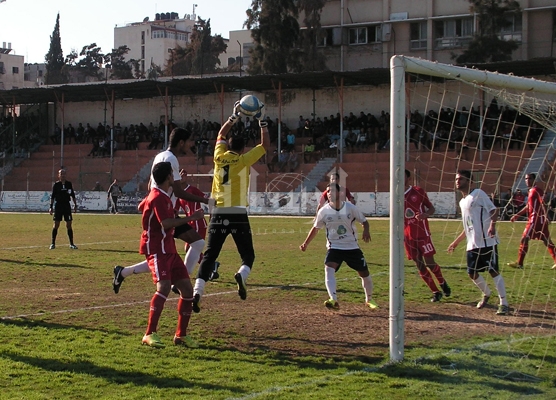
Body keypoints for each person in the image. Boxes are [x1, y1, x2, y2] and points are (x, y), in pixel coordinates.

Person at [112, 127, 215, 294]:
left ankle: (123, 272)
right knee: (189, 246)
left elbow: (153, 185)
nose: (190, 144)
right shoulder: (171, 159)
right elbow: (179, 192)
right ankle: (181, 282)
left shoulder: (161, 156)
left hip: (163, 211)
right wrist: (205, 200)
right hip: (165, 214)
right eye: (188, 141)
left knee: (168, 255)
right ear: (181, 142)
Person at [192, 99, 269, 313]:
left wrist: (233, 117)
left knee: (210, 256)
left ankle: (198, 291)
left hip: (218, 212)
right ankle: (241, 274)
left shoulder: (218, 157)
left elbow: (220, 135)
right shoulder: (244, 160)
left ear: (227, 146)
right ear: (242, 148)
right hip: (237, 213)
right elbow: (265, 146)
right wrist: (262, 122)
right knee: (248, 255)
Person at [139, 161, 202, 348]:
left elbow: (141, 206)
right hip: (157, 249)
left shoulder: (160, 195)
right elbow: (166, 223)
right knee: (164, 287)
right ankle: (149, 333)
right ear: (168, 177)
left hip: (169, 249)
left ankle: (181, 335)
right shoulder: (158, 197)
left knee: (187, 290)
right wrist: (192, 218)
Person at [299, 182, 378, 310]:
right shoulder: (323, 211)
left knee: (364, 273)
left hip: (352, 247)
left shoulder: (350, 208)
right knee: (328, 268)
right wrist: (305, 243)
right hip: (334, 247)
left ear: (340, 193)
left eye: (332, 191)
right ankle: (333, 299)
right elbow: (315, 228)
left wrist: (366, 230)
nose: (329, 194)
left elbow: (364, 221)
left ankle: (369, 300)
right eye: (328, 191)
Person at [447, 170, 510, 315]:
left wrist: (492, 226)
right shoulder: (462, 201)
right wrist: (456, 242)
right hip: (473, 244)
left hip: (487, 242)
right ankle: (487, 293)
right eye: (456, 179)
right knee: (472, 273)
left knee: (493, 271)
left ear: (469, 181)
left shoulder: (479, 194)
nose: (458, 181)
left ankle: (504, 303)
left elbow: (494, 210)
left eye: (461, 179)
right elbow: (467, 226)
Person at [404, 169, 451, 302]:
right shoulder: (395, 195)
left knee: (430, 263)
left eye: (402, 176)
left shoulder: (418, 191)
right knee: (419, 265)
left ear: (408, 178)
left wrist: (425, 215)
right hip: (407, 236)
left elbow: (431, 208)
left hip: (422, 233)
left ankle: (442, 282)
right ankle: (435, 292)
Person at [507, 173, 556, 270]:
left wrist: (546, 215)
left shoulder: (537, 190)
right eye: (525, 178)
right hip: (538, 220)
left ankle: (520, 263)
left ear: (534, 180)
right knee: (547, 241)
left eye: (529, 178)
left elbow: (543, 203)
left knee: (524, 239)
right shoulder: (530, 191)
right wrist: (517, 215)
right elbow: (528, 206)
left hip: (535, 220)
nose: (527, 180)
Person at [49, 168, 78, 250]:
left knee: (69, 224)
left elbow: (73, 195)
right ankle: (53, 243)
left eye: (64, 173)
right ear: (58, 175)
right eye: (61, 174)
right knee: (56, 224)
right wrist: (51, 207)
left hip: (66, 206)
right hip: (58, 206)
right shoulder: (56, 185)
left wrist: (75, 205)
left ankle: (72, 244)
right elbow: (53, 197)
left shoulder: (69, 184)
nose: (63, 175)